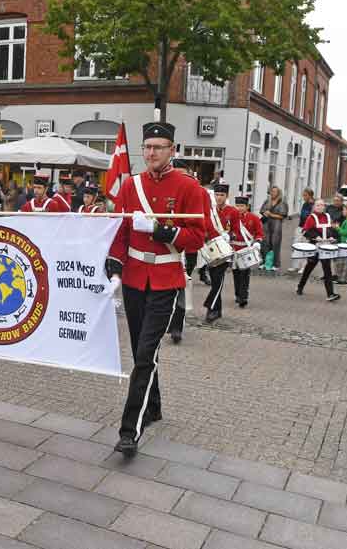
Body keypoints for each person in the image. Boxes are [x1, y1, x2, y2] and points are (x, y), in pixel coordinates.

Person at [106, 119, 206, 456]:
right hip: (134, 279)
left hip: (165, 281)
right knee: (140, 352)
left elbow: (197, 237)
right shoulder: (131, 185)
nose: (151, 153)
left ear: (172, 150)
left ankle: (129, 431)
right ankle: (154, 406)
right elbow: (120, 229)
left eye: (158, 147)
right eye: (148, 147)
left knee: (146, 353)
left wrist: (167, 232)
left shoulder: (190, 188)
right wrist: (114, 263)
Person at [168, 158, 204, 344]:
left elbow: (203, 219)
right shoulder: (166, 187)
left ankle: (177, 327)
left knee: (182, 288)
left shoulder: (196, 190)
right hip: (166, 246)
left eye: (183, 174)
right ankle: (168, 320)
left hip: (187, 248)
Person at [203, 183, 237, 322]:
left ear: (226, 196)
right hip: (212, 249)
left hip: (225, 250)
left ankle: (211, 308)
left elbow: (237, 230)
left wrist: (230, 236)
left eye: (222, 195)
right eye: (217, 195)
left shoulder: (233, 212)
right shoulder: (210, 211)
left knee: (218, 281)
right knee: (215, 280)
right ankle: (218, 310)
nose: (219, 198)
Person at [296, 198, 340, 301]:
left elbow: (332, 230)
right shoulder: (311, 218)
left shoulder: (328, 216)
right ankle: (300, 286)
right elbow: (305, 231)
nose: (320, 207)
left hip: (326, 248)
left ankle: (330, 294)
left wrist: (333, 237)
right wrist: (316, 237)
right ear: (314, 207)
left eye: (322, 205)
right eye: (318, 205)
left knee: (327, 270)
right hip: (315, 247)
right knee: (309, 268)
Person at [231, 195, 263, 307]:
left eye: (242, 206)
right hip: (234, 249)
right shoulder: (232, 217)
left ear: (247, 206)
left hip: (247, 248)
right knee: (236, 274)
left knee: (245, 274)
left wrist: (257, 242)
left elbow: (259, 233)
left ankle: (243, 297)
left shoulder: (254, 218)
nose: (239, 208)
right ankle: (237, 294)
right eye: (237, 206)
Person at [259, 186, 288, 271]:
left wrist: (271, 214)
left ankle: (275, 264)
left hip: (276, 224)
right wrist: (265, 212)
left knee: (275, 243)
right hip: (266, 224)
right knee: (265, 243)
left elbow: (283, 215)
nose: (273, 193)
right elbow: (261, 210)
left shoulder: (282, 203)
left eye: (275, 191)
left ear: (278, 193)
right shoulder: (267, 201)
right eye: (272, 191)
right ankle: (264, 262)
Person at [289, 188, 315, 273]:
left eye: (305, 195)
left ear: (310, 195)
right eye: (303, 195)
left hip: (307, 229)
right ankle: (295, 266)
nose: (303, 197)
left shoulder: (313, 206)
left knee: (305, 247)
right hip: (300, 227)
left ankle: (303, 267)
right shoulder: (305, 204)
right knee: (296, 246)